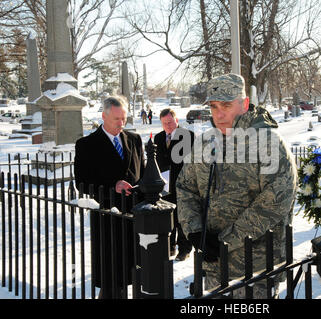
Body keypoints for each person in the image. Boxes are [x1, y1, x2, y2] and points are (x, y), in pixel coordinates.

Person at [176, 73, 297, 298]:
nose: (218, 114)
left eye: (226, 105)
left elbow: (275, 202)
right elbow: (185, 187)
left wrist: (223, 242)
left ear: (245, 104)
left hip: (256, 269)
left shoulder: (268, 143)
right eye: (213, 106)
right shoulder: (204, 143)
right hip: (214, 268)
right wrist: (194, 229)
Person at [74, 96, 145, 299]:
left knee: (132, 270)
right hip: (107, 216)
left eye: (124, 118)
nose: (121, 123)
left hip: (132, 213)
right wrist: (112, 186)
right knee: (111, 273)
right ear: (104, 116)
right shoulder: (87, 145)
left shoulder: (134, 139)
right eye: (116, 119)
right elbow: (81, 182)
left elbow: (142, 171)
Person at [153, 108, 195, 261]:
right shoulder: (158, 138)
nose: (168, 126)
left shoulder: (188, 136)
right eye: (165, 123)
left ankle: (184, 249)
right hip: (165, 185)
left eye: (170, 122)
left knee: (182, 218)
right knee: (166, 217)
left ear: (176, 120)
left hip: (183, 184)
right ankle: (169, 246)